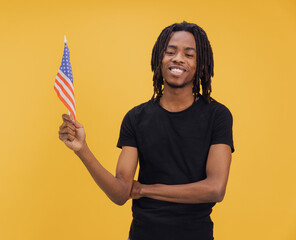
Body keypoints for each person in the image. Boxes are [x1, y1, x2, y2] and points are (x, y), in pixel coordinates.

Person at [58, 21, 234, 240]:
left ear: (202, 65)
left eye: (189, 54)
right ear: (159, 59)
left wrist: (145, 190)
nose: (178, 58)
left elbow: (215, 189)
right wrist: (82, 149)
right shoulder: (136, 118)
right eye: (170, 52)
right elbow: (121, 193)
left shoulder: (217, 116)